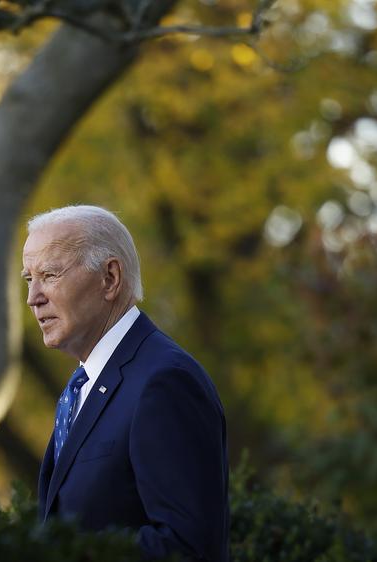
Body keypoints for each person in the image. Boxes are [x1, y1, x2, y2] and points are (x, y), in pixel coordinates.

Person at [22, 205, 229, 561]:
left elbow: (187, 547)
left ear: (110, 279)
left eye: (50, 275)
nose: (33, 298)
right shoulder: (82, 386)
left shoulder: (164, 381)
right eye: (29, 279)